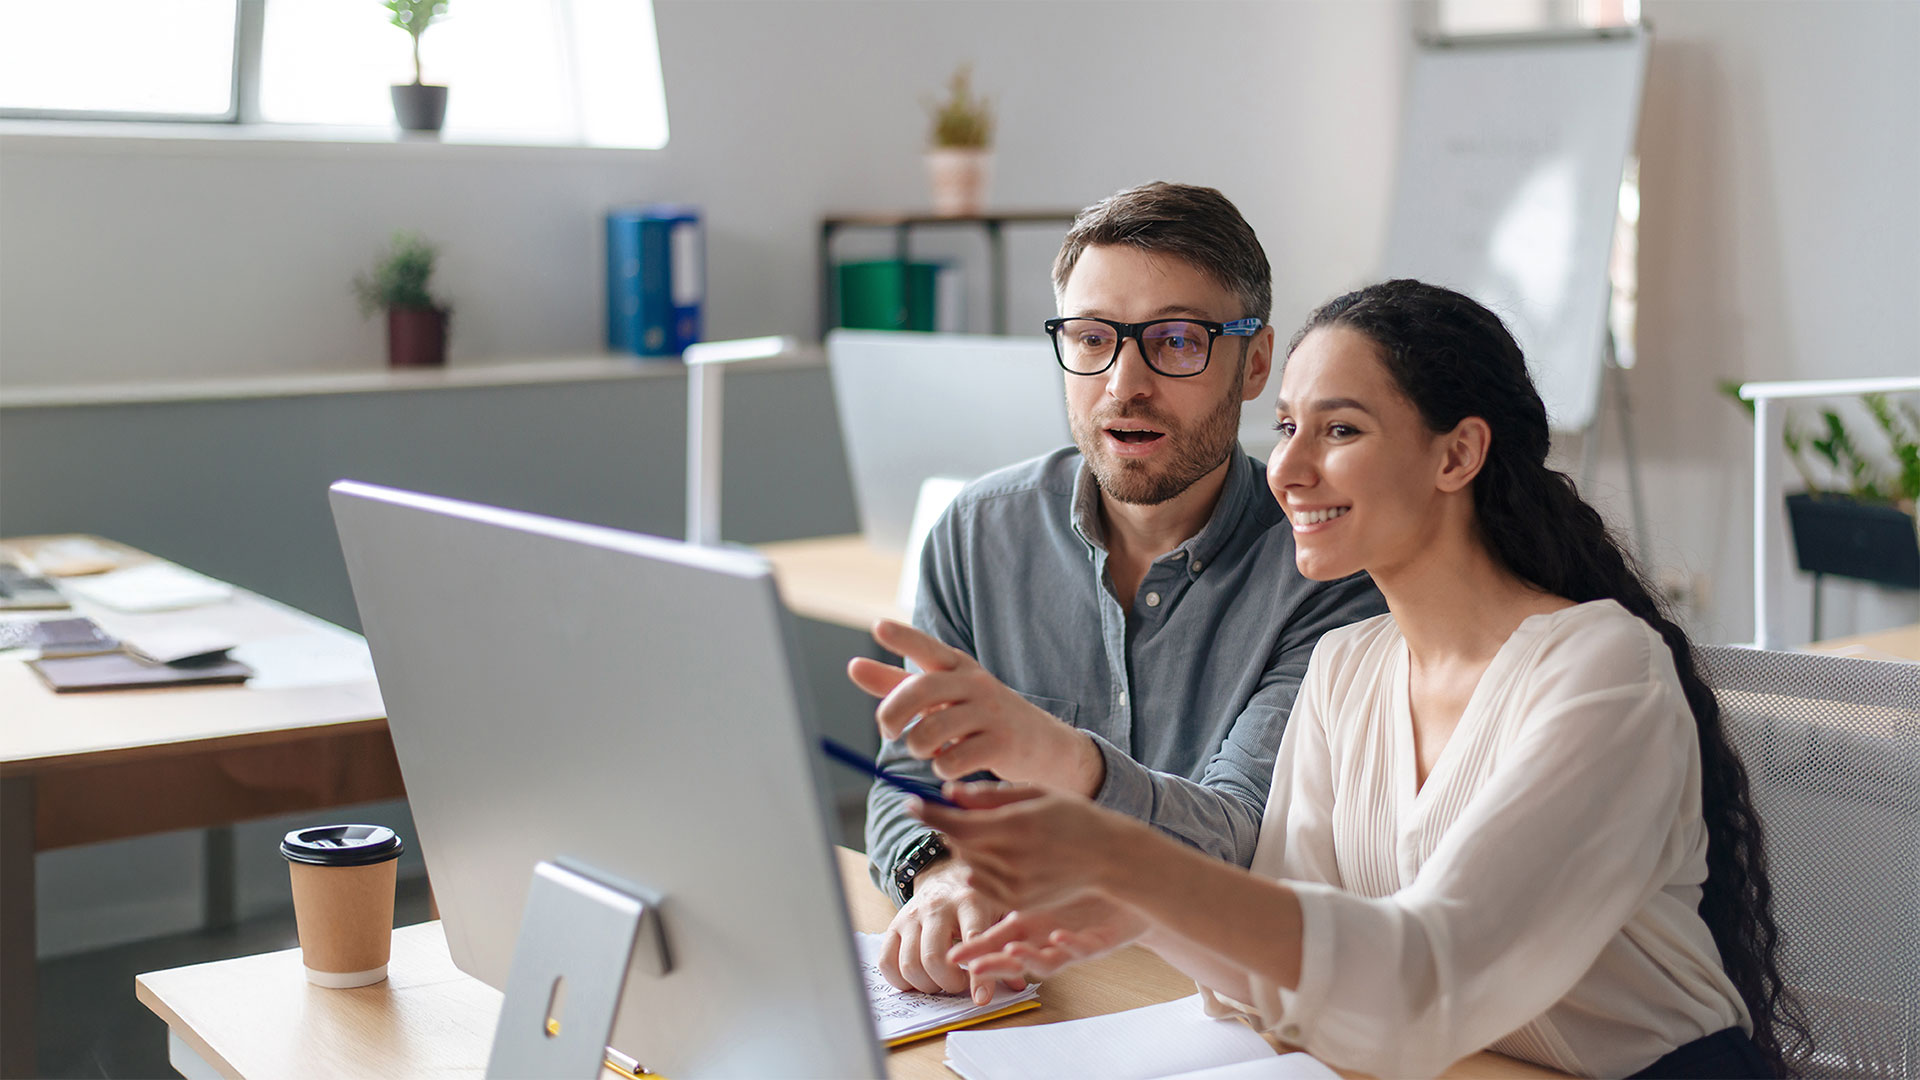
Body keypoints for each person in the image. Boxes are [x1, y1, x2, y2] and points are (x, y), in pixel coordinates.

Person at [917, 280, 1807, 1079]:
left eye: (1340, 430)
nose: (1292, 472)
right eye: (1289, 428)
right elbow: (1279, 989)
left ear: (1456, 456)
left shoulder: (1605, 673)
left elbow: (1423, 980)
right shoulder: (1348, 665)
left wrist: (1136, 866)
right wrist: (1131, 902)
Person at [854, 183, 1386, 1004]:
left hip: (1213, 1006)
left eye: (1176, 341)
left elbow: (1245, 838)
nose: (1124, 382)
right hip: (1027, 993)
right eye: (1093, 338)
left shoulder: (1327, 568)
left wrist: (1060, 760)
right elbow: (908, 772)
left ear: (1253, 363)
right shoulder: (976, 533)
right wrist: (942, 875)